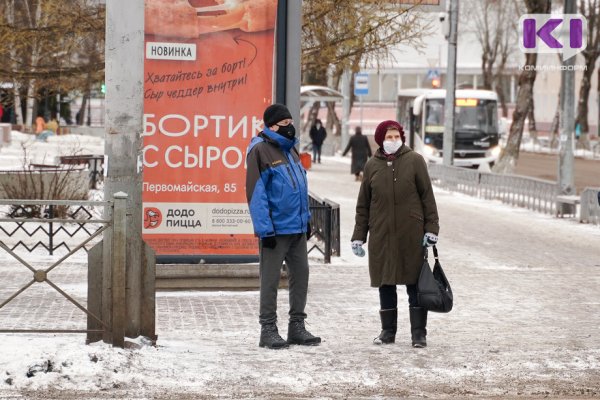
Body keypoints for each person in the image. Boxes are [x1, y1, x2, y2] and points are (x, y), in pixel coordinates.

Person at [350, 120, 440, 348]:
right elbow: (363, 205)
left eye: (396, 136)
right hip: (381, 235)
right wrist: (359, 235)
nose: (393, 140)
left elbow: (428, 198)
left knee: (414, 284)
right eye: (388, 137)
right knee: (385, 283)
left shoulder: (415, 161)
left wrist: (431, 229)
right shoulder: (372, 165)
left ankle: (418, 334)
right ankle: (387, 332)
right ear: (381, 140)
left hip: (411, 234)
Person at [245, 103, 321, 350]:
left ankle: (296, 326)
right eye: (285, 123)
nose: (291, 127)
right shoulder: (260, 151)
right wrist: (264, 230)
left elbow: (300, 188)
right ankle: (268, 329)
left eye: (291, 122)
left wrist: (307, 220)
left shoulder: (291, 150)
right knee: (270, 280)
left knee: (301, 277)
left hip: (297, 228)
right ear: (272, 125)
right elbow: (257, 194)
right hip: (275, 231)